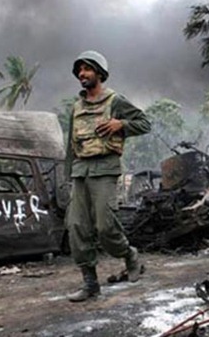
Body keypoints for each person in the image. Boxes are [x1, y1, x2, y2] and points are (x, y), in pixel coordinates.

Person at [65, 50, 151, 302]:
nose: (82, 74)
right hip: (80, 171)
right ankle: (90, 284)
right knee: (76, 227)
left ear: (99, 73)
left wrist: (120, 124)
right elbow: (69, 144)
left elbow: (144, 123)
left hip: (104, 169)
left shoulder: (115, 100)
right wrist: (66, 176)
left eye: (87, 69)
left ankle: (129, 254)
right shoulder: (76, 107)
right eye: (79, 70)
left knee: (104, 226)